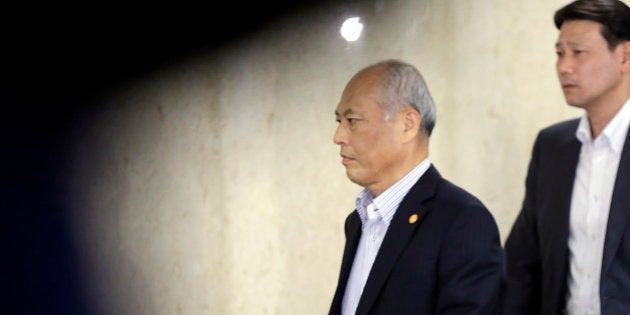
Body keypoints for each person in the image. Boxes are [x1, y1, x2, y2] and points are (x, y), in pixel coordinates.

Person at [327, 59, 503, 315]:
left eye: (352, 120)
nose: (338, 136)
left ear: (407, 124)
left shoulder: (462, 220)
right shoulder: (357, 222)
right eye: (338, 121)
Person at [502, 0, 630, 314]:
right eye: (560, 53)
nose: (564, 66)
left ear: (625, 56)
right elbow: (522, 262)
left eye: (578, 52)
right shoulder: (552, 146)